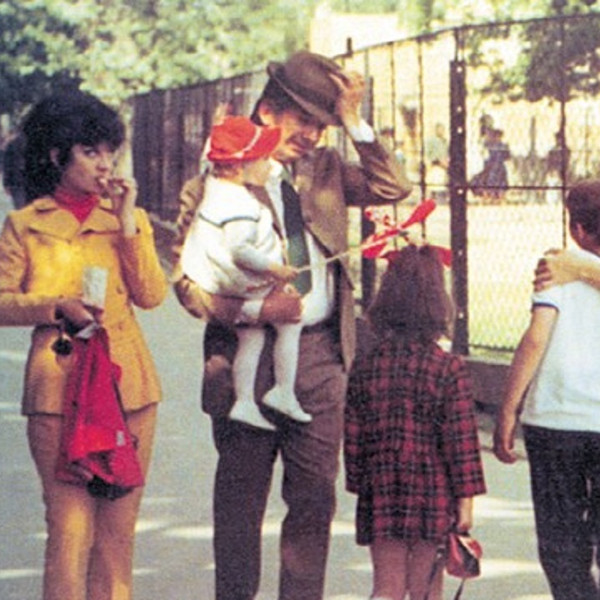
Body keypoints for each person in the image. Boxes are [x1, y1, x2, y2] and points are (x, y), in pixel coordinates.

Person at [172, 51, 412, 600]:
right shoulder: (215, 181)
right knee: (241, 502)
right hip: (244, 359)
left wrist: (354, 121)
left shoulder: (325, 169)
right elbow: (186, 284)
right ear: (267, 110)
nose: (312, 135)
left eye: (322, 125)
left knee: (313, 501)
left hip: (321, 357)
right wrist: (255, 312)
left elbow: (393, 188)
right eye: (303, 120)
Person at [0, 90, 167, 600]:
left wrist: (128, 220)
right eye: (90, 151)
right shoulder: (25, 225)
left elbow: (152, 295)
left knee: (117, 536)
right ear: (57, 156)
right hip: (58, 392)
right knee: (69, 532)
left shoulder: (126, 220)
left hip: (128, 390)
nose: (105, 163)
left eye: (110, 151)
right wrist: (55, 306)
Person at [344, 245, 486, 600]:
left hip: (381, 485)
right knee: (426, 588)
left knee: (386, 586)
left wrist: (361, 481)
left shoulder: (365, 365)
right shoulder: (448, 369)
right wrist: (465, 503)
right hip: (433, 491)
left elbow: (354, 436)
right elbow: (461, 443)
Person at [494, 179, 600, 599]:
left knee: (561, 541)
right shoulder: (564, 265)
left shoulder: (558, 267)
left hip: (556, 419)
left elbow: (536, 338)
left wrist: (508, 408)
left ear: (577, 228)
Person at [180, 115, 311, 430]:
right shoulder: (240, 204)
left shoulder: (217, 192)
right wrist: (275, 269)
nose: (269, 164)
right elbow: (240, 250)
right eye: (263, 159)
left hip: (229, 280)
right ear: (239, 167)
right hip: (245, 284)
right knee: (291, 322)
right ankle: (282, 390)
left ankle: (244, 401)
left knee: (251, 339)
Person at [425, 122, 449, 203]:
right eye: (440, 129)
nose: (441, 131)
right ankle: (432, 197)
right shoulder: (431, 141)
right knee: (434, 180)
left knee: (442, 181)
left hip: (443, 164)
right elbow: (428, 153)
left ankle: (441, 198)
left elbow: (446, 152)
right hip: (435, 164)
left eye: (443, 130)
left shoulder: (445, 141)